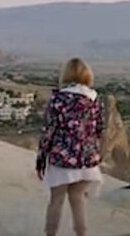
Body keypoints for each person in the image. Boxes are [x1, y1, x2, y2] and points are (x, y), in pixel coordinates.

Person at [36, 58, 104, 236]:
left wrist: (41, 160)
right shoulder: (94, 99)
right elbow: (99, 130)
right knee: (78, 199)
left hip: (62, 159)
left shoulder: (58, 99)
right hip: (87, 160)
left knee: (56, 201)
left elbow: (48, 131)